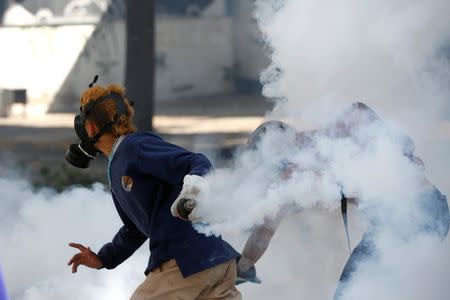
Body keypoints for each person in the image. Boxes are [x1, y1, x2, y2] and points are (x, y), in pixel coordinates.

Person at [225, 103, 450, 296]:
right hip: (392, 228)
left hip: (420, 211)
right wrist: (243, 267)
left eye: (277, 164)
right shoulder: (290, 179)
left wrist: (400, 154)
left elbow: (371, 119)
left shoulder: (337, 133)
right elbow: (264, 232)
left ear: (289, 142)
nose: (280, 174)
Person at [66, 79, 241, 300]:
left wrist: (195, 188)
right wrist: (104, 259)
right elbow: (135, 230)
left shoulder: (133, 147)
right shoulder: (118, 163)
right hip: (216, 263)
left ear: (90, 127)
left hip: (185, 263)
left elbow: (196, 162)